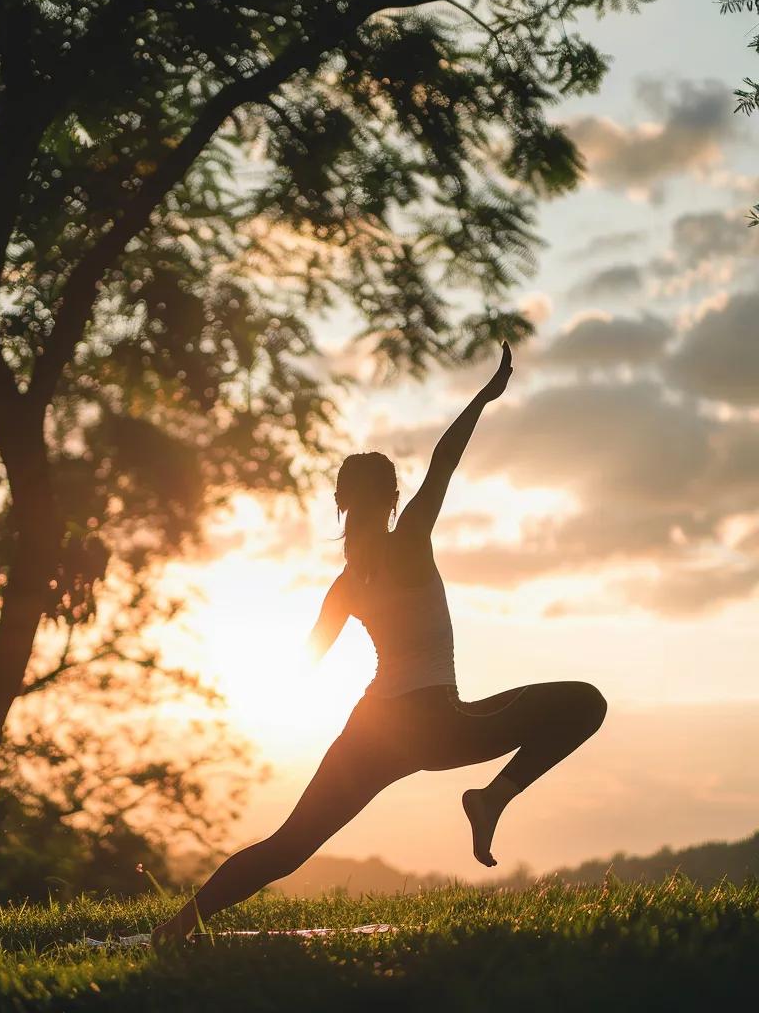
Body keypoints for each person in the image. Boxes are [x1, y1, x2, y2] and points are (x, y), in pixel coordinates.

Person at [151, 341, 606, 945]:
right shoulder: (410, 539)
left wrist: (219, 711)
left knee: (287, 848)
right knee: (585, 703)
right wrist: (483, 396)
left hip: (372, 731)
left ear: (340, 503)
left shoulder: (344, 584)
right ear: (394, 498)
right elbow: (444, 461)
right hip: (439, 724)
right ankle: (492, 798)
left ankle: (174, 931)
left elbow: (303, 663)